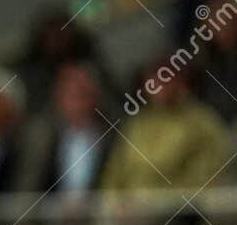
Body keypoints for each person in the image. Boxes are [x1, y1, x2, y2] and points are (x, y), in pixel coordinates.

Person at [100, 60, 233, 193]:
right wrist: (113, 203)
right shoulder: (136, 124)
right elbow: (114, 172)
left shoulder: (203, 123)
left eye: (166, 81)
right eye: (154, 81)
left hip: (181, 209)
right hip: (130, 210)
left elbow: (209, 176)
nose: (159, 87)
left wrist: (161, 201)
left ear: (183, 83)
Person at [15, 62, 111, 197]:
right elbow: (29, 184)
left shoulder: (110, 136)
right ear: (59, 98)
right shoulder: (43, 138)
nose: (77, 104)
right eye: (71, 96)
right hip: (50, 214)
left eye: (83, 95)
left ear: (95, 97)